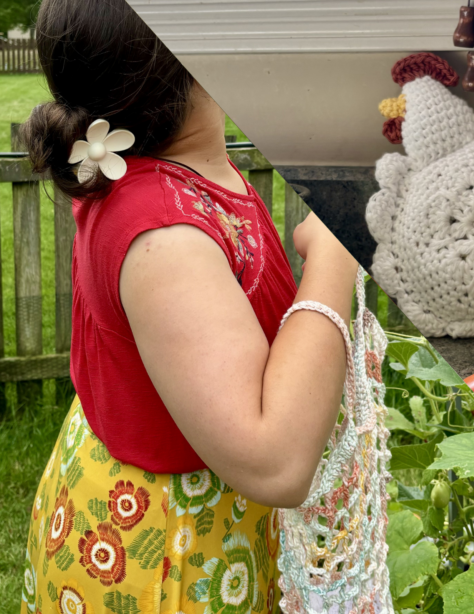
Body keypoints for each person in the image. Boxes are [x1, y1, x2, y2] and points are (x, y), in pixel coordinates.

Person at [18, 1, 358, 612]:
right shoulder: (163, 237)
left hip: (174, 514)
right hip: (171, 553)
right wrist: (335, 254)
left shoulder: (179, 165)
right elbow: (273, 460)